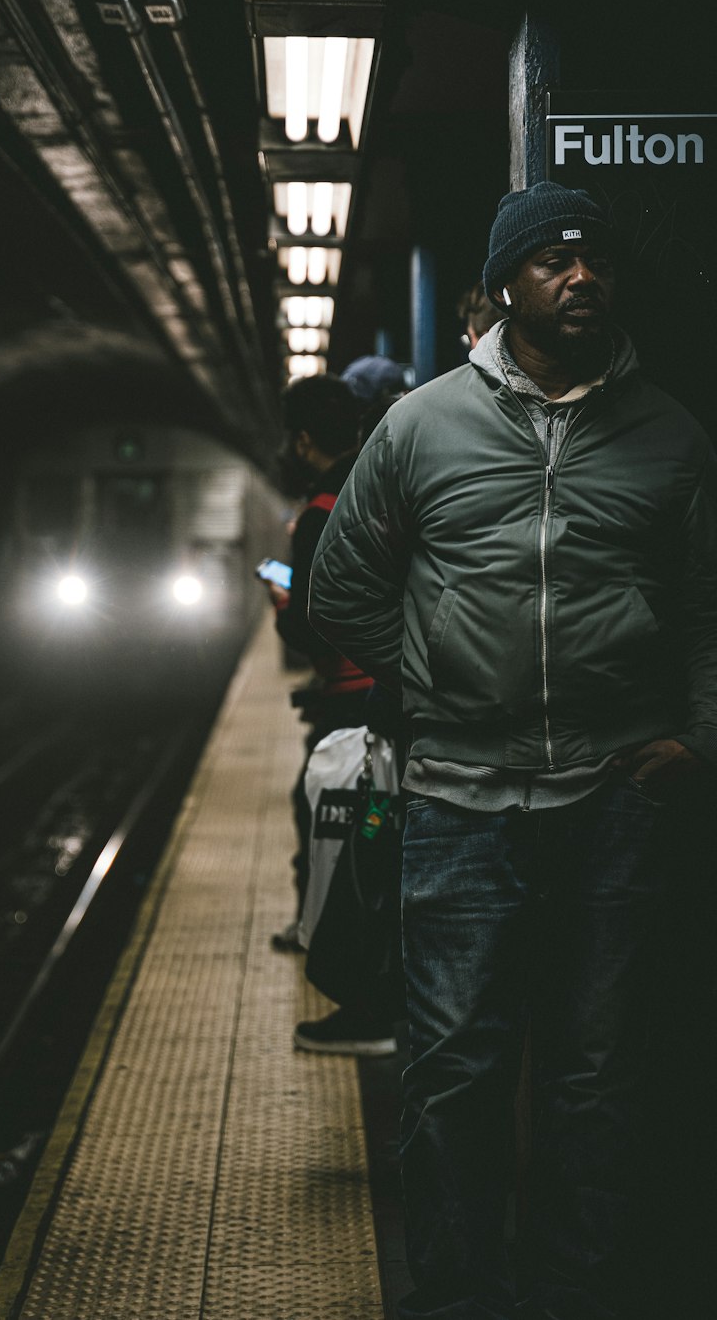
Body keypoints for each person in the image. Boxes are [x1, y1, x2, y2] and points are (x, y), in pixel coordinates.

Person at [308, 180, 717, 1319]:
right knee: (453, 1080)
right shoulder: (422, 425)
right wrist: (443, 684)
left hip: (614, 798)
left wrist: (695, 736)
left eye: (595, 263)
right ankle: (456, 1300)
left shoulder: (667, 433)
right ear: (502, 287)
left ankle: (573, 1297)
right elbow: (339, 593)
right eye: (552, 262)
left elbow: (702, 611)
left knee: (596, 1084)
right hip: (456, 802)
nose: (579, 278)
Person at [263, 373, 394, 1056]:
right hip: (401, 689)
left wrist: (281, 604)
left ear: (304, 440)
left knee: (344, 827)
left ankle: (362, 992)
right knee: (379, 831)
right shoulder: (383, 480)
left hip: (355, 700)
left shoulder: (318, 509)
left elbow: (314, 626)